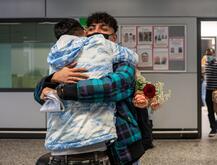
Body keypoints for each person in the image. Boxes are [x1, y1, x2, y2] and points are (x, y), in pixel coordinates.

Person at [35, 12, 149, 165]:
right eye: (91, 28)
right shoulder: (71, 60)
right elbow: (39, 95)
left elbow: (110, 87)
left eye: (103, 28)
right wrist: (51, 79)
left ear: (113, 38)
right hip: (84, 144)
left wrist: (63, 91)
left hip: (121, 143)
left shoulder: (124, 63)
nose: (96, 32)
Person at [204, 48, 217, 137]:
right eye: (207, 54)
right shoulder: (206, 63)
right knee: (210, 110)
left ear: (214, 54)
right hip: (208, 90)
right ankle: (213, 128)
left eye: (210, 54)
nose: (208, 56)